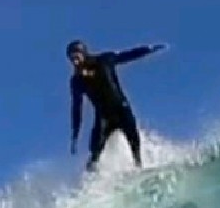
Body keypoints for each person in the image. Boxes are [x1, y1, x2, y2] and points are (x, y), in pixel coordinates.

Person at [67, 39, 166, 170]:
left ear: (83, 53)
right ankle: (89, 182)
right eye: (71, 58)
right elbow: (76, 107)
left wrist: (149, 49)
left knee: (134, 142)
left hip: (121, 110)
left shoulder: (104, 60)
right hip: (103, 117)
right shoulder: (77, 81)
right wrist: (75, 134)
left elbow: (127, 55)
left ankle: (139, 168)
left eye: (76, 56)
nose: (74, 61)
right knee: (95, 152)